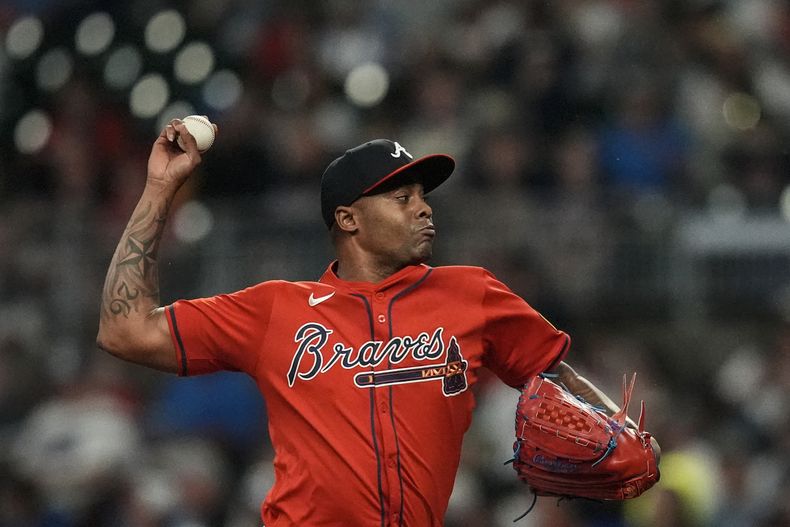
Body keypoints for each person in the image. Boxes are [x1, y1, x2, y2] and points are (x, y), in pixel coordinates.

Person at [97, 120, 658, 527]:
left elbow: (554, 373)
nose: (424, 208)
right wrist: (160, 189)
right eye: (401, 196)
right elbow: (125, 330)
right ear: (348, 219)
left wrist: (620, 430)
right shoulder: (278, 310)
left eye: (423, 196)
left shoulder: (472, 293)